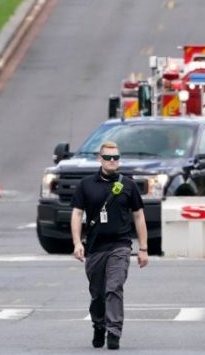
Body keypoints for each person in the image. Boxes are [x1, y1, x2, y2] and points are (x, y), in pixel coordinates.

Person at [71, 141, 148, 350]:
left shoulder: (128, 185)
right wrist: (77, 243)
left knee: (114, 288)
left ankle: (114, 331)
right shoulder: (86, 185)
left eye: (115, 157)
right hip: (95, 248)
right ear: (100, 159)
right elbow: (77, 214)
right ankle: (99, 324)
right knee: (97, 294)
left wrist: (143, 249)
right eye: (108, 157)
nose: (112, 161)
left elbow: (139, 216)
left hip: (120, 246)